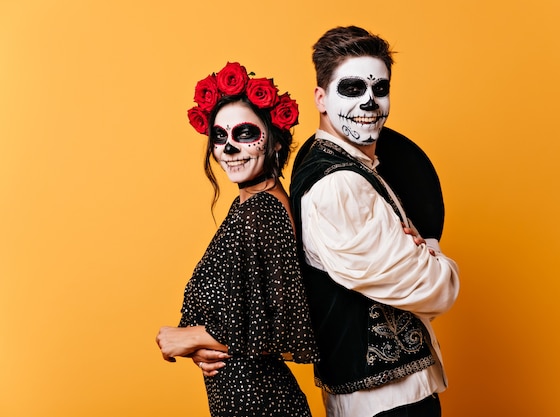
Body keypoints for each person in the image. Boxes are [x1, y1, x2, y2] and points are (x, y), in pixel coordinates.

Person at [289, 26, 461, 417]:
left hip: (395, 394)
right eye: (351, 88)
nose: (369, 102)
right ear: (320, 97)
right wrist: (433, 254)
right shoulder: (339, 186)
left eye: (379, 89)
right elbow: (438, 288)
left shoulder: (342, 162)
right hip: (385, 403)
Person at [156, 61, 319, 417]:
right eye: (219, 136)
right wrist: (199, 345)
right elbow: (242, 318)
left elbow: (278, 326)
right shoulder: (245, 206)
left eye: (245, 133)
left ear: (274, 143)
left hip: (262, 402)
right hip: (243, 401)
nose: (229, 148)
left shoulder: (264, 211)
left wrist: (191, 337)